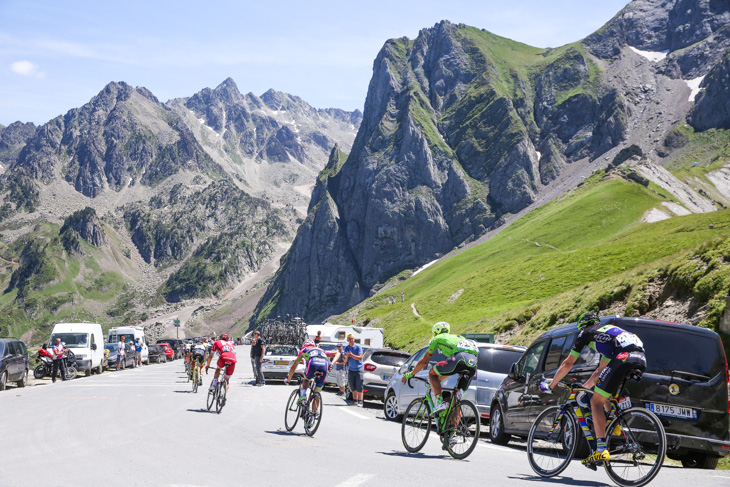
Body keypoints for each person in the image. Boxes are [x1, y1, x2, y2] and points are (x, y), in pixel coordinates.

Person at [539, 312, 646, 466]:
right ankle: (613, 425)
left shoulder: (586, 333)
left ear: (583, 326)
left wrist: (551, 385)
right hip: (640, 358)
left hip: (623, 357)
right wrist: (583, 389)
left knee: (596, 402)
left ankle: (601, 450)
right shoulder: (609, 335)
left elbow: (567, 364)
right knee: (605, 391)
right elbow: (599, 372)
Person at [401, 322, 478, 414]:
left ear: (436, 332)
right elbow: (449, 370)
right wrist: (439, 380)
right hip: (473, 364)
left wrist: (410, 374)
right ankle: (455, 427)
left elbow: (423, 361)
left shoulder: (437, 338)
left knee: (431, 373)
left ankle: (440, 403)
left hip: (459, 359)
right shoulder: (460, 338)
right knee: (455, 401)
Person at [285, 339, 328, 415]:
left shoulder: (304, 350)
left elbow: (293, 367)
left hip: (313, 363)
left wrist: (288, 380)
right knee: (317, 392)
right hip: (324, 365)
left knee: (306, 380)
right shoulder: (321, 350)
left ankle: (303, 396)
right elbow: (332, 354)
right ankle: (312, 416)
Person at [344, 334, 364, 406]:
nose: (351, 340)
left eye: (352, 338)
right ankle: (355, 400)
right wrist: (346, 357)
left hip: (359, 369)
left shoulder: (358, 347)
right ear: (347, 340)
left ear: (354, 339)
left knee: (359, 385)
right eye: (350, 339)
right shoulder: (346, 348)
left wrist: (352, 355)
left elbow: (360, 357)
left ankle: (360, 401)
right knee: (352, 385)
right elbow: (346, 360)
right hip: (351, 369)